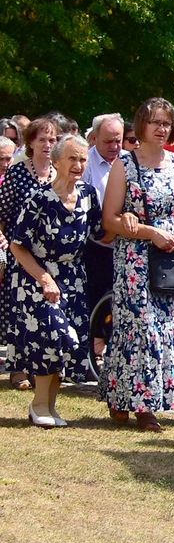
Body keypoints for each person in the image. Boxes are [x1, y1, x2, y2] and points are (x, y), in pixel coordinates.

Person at [101, 98, 174, 431]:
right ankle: (135, 404)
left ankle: (149, 399)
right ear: (140, 126)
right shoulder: (124, 165)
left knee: (167, 328)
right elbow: (110, 219)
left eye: (166, 123)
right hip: (136, 260)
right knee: (141, 331)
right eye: (155, 122)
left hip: (172, 256)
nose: (161, 128)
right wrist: (148, 232)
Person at [8, 135, 101, 427]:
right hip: (36, 278)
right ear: (57, 161)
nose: (78, 165)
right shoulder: (40, 199)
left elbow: (101, 232)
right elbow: (17, 244)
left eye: (83, 159)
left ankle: (49, 406)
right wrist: (45, 279)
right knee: (54, 337)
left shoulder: (88, 194)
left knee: (67, 346)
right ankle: (39, 404)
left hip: (74, 279)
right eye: (72, 158)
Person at [0, 117, 60, 390]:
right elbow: (4, 211)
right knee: (21, 311)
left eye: (53, 140)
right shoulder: (17, 172)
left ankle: (42, 367)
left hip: (50, 253)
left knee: (45, 311)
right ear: (30, 143)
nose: (48, 145)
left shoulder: (59, 172)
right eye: (43, 140)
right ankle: (19, 368)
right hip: (20, 249)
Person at [81, 113, 125, 352]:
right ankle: (90, 352)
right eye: (108, 141)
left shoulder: (128, 162)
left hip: (123, 244)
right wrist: (103, 233)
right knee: (93, 300)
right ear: (95, 138)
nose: (114, 146)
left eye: (118, 140)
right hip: (94, 245)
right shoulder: (85, 164)